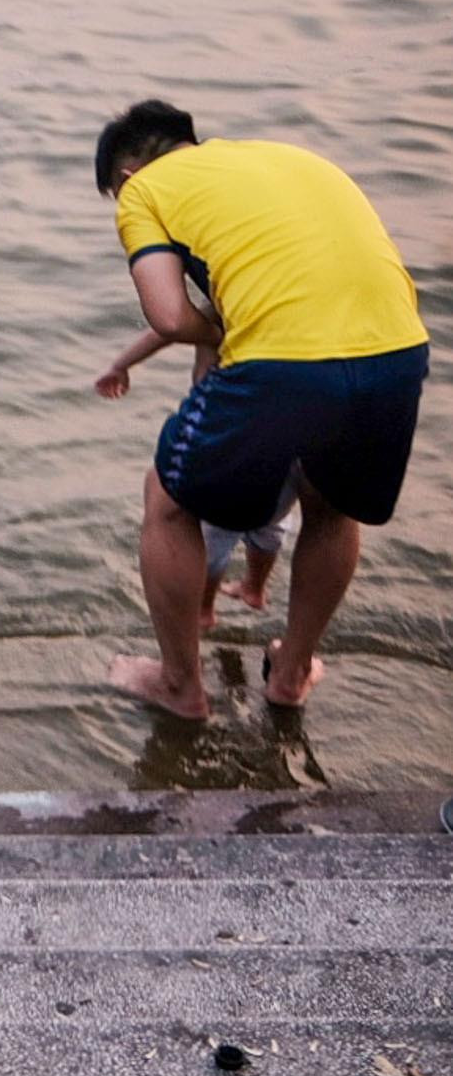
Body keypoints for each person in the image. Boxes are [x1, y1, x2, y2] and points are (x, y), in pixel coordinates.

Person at [94, 101, 430, 719]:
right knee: (331, 504)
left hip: (284, 358)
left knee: (168, 501)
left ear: (129, 173)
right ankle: (293, 673)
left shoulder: (146, 191)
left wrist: (222, 331)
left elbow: (168, 316)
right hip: (399, 349)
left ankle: (179, 686)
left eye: (115, 191)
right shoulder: (293, 158)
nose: (121, 204)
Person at [94, 325, 302, 629]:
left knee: (215, 532)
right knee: (272, 519)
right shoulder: (282, 311)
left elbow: (165, 330)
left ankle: (204, 609)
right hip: (285, 431)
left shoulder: (220, 307)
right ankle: (254, 588)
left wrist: (120, 365)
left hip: (226, 430)